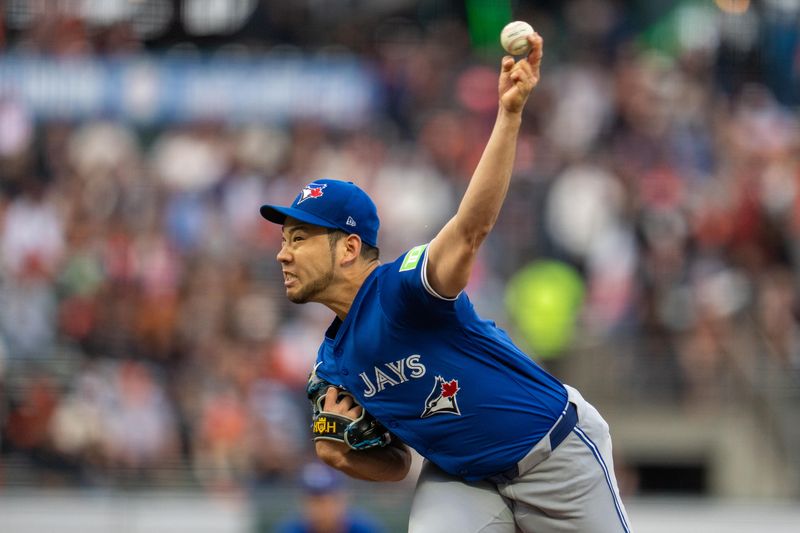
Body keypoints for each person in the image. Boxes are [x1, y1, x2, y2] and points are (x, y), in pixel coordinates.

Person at [260, 33, 632, 533]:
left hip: (554, 453)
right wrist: (341, 454)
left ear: (348, 248)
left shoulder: (402, 290)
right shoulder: (334, 365)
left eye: (300, 237)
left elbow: (470, 229)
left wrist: (509, 115)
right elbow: (397, 465)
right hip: (463, 478)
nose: (283, 252)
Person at [275, 461, 385, 533]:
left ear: (343, 499)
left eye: (325, 501)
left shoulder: (365, 529)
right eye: (313, 501)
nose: (320, 509)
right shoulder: (290, 530)